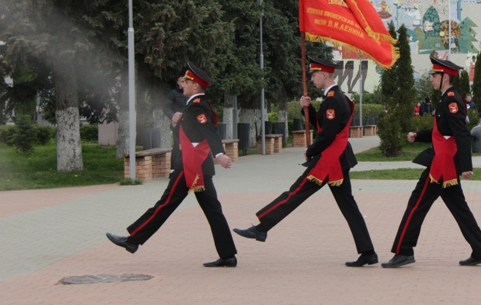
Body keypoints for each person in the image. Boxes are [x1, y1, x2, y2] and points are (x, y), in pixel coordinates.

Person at [234, 57, 377, 267]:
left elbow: (327, 134)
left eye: (314, 74)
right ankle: (368, 252)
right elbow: (323, 125)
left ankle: (261, 228)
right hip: (336, 159)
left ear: (325, 75)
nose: (311, 78)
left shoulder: (333, 99)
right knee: (348, 207)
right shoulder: (334, 98)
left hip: (329, 160)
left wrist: (311, 150)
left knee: (295, 193)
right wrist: (306, 110)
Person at [106, 62, 237, 267]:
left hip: (191, 167)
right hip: (196, 167)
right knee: (213, 210)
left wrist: (219, 154)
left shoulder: (197, 106)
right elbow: (189, 133)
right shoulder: (192, 105)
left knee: (165, 204)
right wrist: (175, 122)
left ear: (196, 87)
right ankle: (228, 254)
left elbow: (209, 131)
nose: (183, 84)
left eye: (187, 82)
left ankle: (133, 240)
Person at [382, 56, 481, 268]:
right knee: (460, 209)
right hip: (444, 164)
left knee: (416, 204)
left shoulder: (451, 101)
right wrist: (419, 135)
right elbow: (442, 131)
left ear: (445, 78)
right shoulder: (445, 99)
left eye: (434, 75)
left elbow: (461, 134)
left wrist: (467, 166)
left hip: (441, 166)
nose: (431, 78)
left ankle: (404, 250)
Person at [163, 75, 186, 169]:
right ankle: (174, 170)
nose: (184, 83)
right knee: (177, 146)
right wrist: (173, 116)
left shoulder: (192, 94)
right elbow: (166, 107)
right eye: (182, 81)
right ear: (178, 82)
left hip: (190, 125)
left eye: (186, 81)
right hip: (178, 125)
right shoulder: (173, 94)